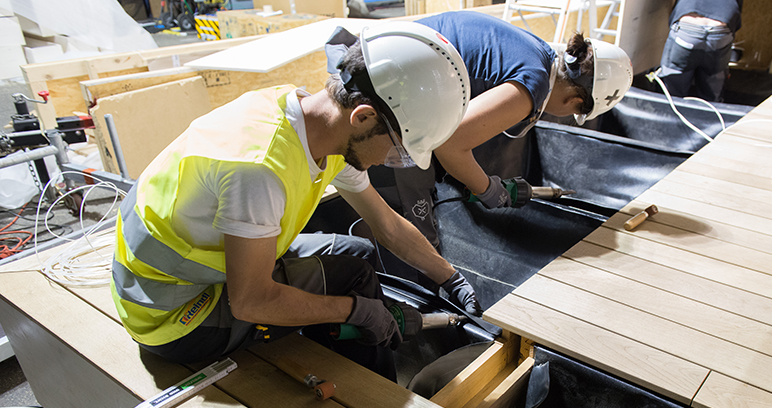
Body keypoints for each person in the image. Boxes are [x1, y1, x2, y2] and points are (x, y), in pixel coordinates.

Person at [110, 21, 479, 377]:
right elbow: (250, 301)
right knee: (356, 283)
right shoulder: (260, 169)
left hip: (202, 265)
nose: (390, 161)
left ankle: (341, 360)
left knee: (359, 255)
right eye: (397, 149)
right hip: (174, 315)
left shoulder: (316, 125)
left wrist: (451, 279)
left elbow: (387, 226)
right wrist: (355, 311)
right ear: (363, 116)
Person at [327, 12, 632, 251]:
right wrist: (489, 189)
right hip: (386, 108)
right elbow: (450, 143)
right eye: (577, 112)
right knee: (416, 230)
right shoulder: (533, 84)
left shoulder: (536, 51)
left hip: (374, 72)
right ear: (576, 100)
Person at [657, 0, 743, 102]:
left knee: (672, 93)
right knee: (712, 94)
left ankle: (671, 110)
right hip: (720, 29)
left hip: (687, 28)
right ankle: (711, 110)